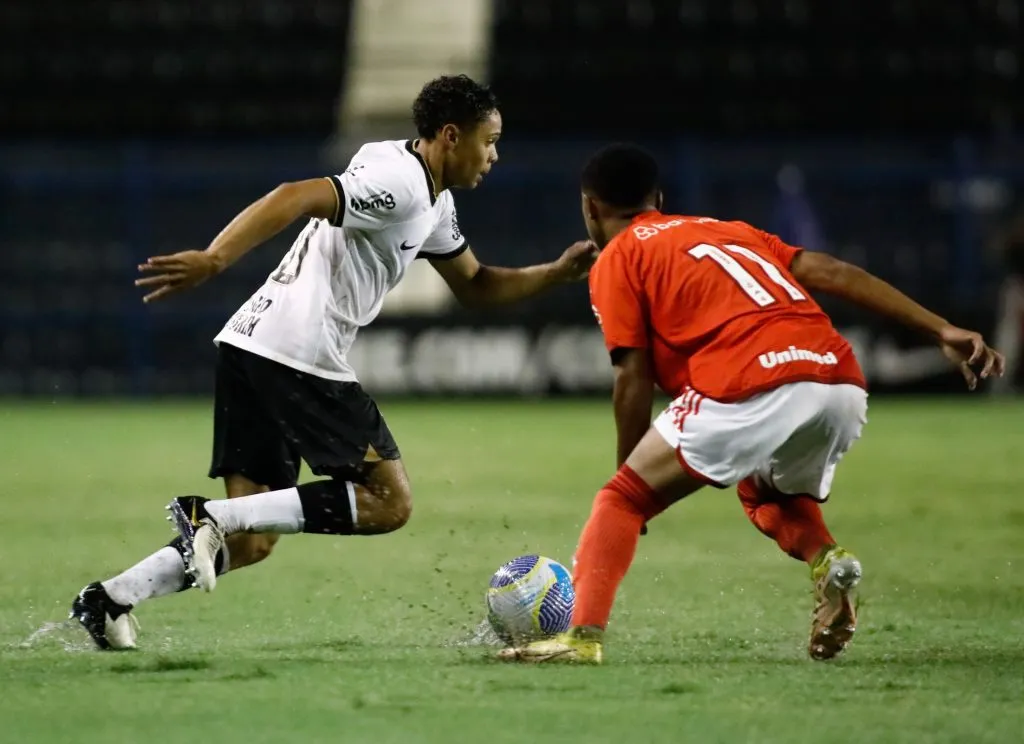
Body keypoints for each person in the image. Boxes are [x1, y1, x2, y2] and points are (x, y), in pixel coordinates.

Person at [70, 74, 596, 650]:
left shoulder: (429, 197)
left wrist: (554, 273)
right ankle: (209, 515)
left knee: (251, 538)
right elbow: (293, 196)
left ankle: (111, 599)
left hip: (251, 344)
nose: (494, 155)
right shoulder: (400, 184)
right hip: (297, 351)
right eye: (489, 140)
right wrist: (216, 258)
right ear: (451, 136)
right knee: (389, 501)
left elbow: (475, 285)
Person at [499, 143, 1005, 665]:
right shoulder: (729, 230)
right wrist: (939, 326)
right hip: (839, 380)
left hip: (753, 378)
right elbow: (831, 271)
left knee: (619, 500)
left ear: (589, 207)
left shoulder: (620, 257)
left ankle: (581, 640)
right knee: (765, 493)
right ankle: (828, 560)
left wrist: (631, 476)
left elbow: (633, 378)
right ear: (660, 198)